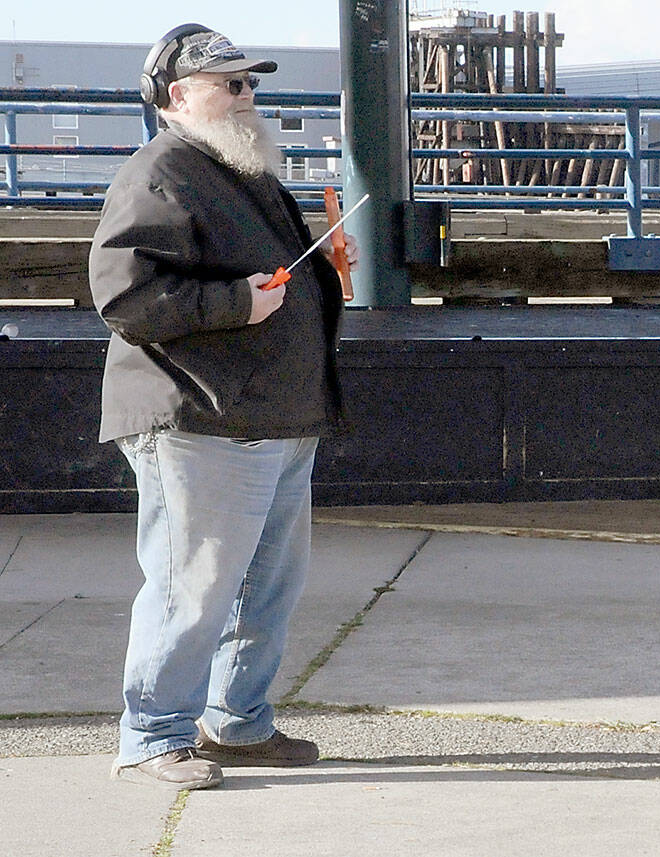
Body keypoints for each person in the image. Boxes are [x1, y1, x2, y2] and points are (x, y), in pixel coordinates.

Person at [89, 23, 357, 790]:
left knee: (266, 585)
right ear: (177, 97)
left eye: (250, 83)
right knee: (194, 583)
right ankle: (151, 735)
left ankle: (236, 723)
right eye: (231, 84)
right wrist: (237, 302)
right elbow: (126, 295)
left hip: (271, 413)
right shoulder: (162, 170)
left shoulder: (241, 170)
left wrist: (322, 276)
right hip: (201, 415)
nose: (248, 96)